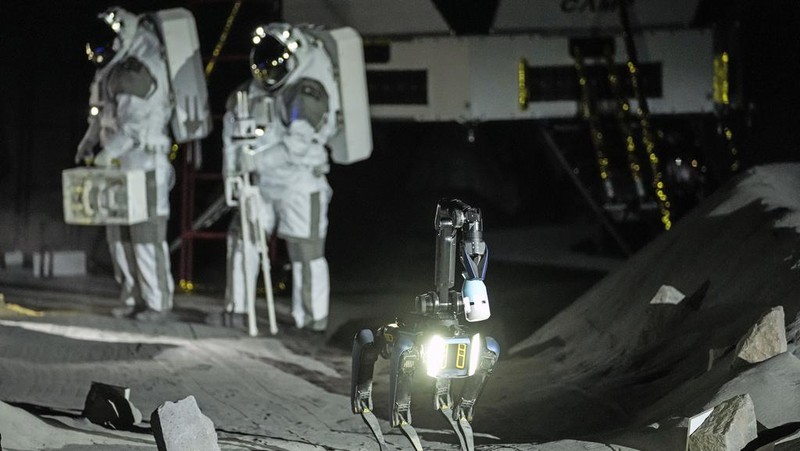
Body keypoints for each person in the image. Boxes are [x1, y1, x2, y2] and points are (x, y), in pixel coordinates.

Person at [222, 23, 340, 332]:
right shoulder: (248, 93)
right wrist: (232, 172)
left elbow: (296, 146)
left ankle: (311, 320)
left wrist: (255, 159)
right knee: (243, 242)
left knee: (305, 252)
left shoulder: (307, 91)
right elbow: (231, 135)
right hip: (258, 184)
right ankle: (238, 309)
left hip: (298, 183)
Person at [76, 7, 175, 321]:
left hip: (143, 165)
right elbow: (104, 113)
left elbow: (134, 125)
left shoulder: (139, 67)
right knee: (118, 239)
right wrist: (90, 142)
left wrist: (108, 152)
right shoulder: (113, 67)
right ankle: (132, 297)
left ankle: (157, 303)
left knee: (145, 238)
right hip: (118, 166)